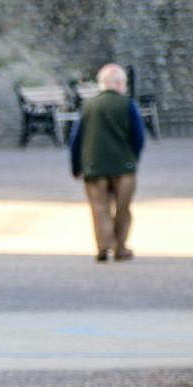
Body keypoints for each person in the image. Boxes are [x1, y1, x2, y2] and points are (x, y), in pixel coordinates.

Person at [69, 64, 145, 262]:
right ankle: (120, 248)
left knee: (100, 208)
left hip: (94, 168)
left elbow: (75, 140)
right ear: (119, 83)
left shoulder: (88, 106)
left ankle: (103, 247)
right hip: (124, 167)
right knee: (123, 209)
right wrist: (132, 158)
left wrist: (76, 166)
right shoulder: (127, 104)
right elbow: (138, 137)